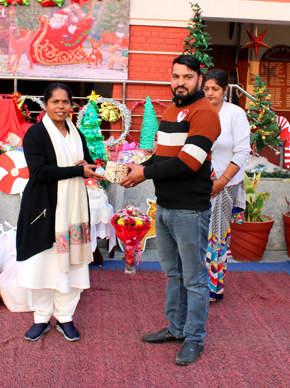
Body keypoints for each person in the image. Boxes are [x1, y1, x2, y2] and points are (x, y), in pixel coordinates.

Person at [120, 55, 221, 366]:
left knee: (194, 278)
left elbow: (189, 162)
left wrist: (145, 173)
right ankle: (176, 328)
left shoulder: (205, 113)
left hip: (189, 210)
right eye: (176, 76)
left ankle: (195, 338)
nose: (180, 82)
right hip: (164, 206)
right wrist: (140, 167)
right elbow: (163, 156)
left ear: (199, 79)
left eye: (187, 77)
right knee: (174, 274)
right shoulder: (172, 110)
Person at [16, 83, 105, 342]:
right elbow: (39, 172)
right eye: (55, 102)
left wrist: (90, 167)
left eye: (65, 102)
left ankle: (65, 316)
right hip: (43, 208)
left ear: (71, 105)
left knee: (71, 264)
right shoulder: (35, 134)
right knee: (42, 263)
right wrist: (78, 170)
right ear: (45, 104)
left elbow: (85, 162)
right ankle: (41, 317)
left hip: (73, 208)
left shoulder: (76, 133)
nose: (60, 107)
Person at [203, 69, 250, 302]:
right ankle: (194, 284)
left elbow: (242, 151)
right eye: (206, 88)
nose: (210, 93)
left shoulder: (235, 114)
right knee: (197, 233)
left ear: (225, 90)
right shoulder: (198, 110)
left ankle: (212, 288)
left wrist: (221, 182)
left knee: (215, 235)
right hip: (198, 182)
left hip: (225, 182)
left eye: (215, 89)